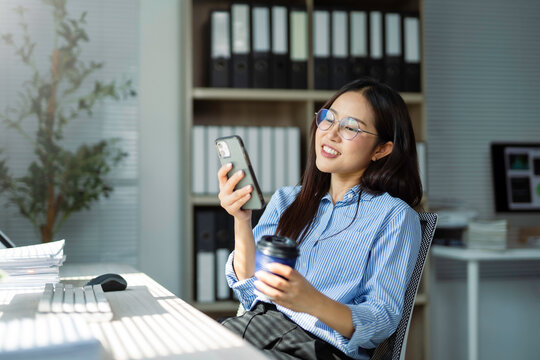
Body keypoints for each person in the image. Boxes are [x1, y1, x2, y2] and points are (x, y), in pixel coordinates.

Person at [216, 78, 423, 360]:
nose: (331, 134)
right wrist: (241, 220)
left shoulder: (395, 217)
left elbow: (382, 319)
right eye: (328, 119)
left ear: (381, 149)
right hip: (257, 327)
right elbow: (250, 288)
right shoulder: (287, 200)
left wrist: (312, 302)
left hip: (319, 348)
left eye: (350, 127)